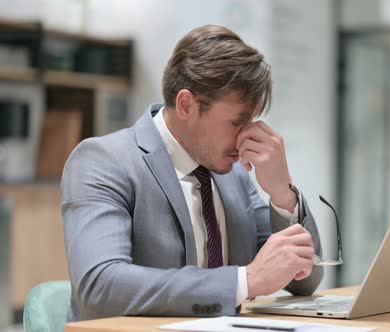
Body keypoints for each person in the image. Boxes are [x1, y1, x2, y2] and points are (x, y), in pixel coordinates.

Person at [61, 25, 323, 322]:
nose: (246, 137)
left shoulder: (233, 174)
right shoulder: (104, 161)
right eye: (237, 122)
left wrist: (282, 193)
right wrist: (244, 281)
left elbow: (304, 280)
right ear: (187, 104)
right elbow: (100, 286)